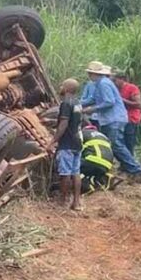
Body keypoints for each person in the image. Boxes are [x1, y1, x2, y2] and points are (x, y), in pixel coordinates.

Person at [80, 61, 141, 179]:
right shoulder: (100, 84)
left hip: (114, 119)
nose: (89, 75)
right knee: (111, 145)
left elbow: (109, 102)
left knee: (116, 145)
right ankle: (130, 169)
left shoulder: (103, 84)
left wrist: (92, 109)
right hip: (110, 119)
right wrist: (77, 104)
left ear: (95, 74)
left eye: (90, 73)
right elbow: (93, 99)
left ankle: (136, 170)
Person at [52, 78, 83, 209]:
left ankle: (63, 202)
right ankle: (76, 202)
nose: (60, 87)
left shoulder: (65, 103)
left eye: (62, 85)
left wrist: (52, 141)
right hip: (77, 142)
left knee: (65, 173)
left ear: (67, 89)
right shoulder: (77, 103)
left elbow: (63, 124)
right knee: (76, 172)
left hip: (67, 143)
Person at [113, 70, 141, 155]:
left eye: (115, 80)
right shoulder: (115, 89)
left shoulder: (132, 88)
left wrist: (121, 100)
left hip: (131, 118)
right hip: (119, 118)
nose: (114, 83)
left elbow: (138, 104)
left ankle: (131, 159)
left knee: (129, 142)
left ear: (122, 79)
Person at [81, 124, 115, 193]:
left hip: (92, 160)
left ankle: (86, 186)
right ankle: (104, 177)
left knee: (73, 167)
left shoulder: (82, 133)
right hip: (108, 164)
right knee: (95, 170)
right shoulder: (105, 137)